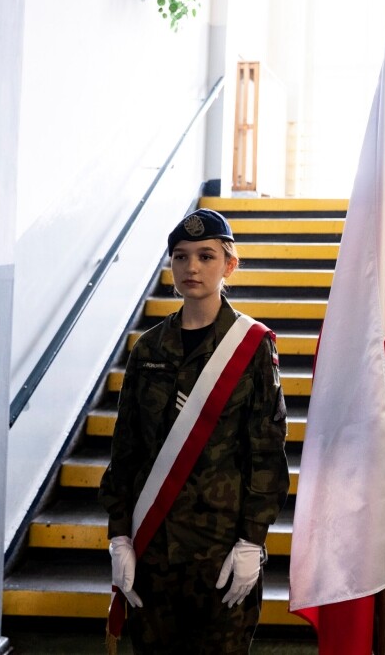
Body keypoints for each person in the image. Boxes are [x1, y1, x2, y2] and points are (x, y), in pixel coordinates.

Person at [99, 208, 290, 653]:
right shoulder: (148, 349)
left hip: (221, 554)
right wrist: (120, 535)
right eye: (181, 257)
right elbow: (126, 451)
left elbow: (266, 455)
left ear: (229, 265)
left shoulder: (253, 348)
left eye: (206, 256)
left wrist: (251, 542)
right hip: (155, 549)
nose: (192, 267)